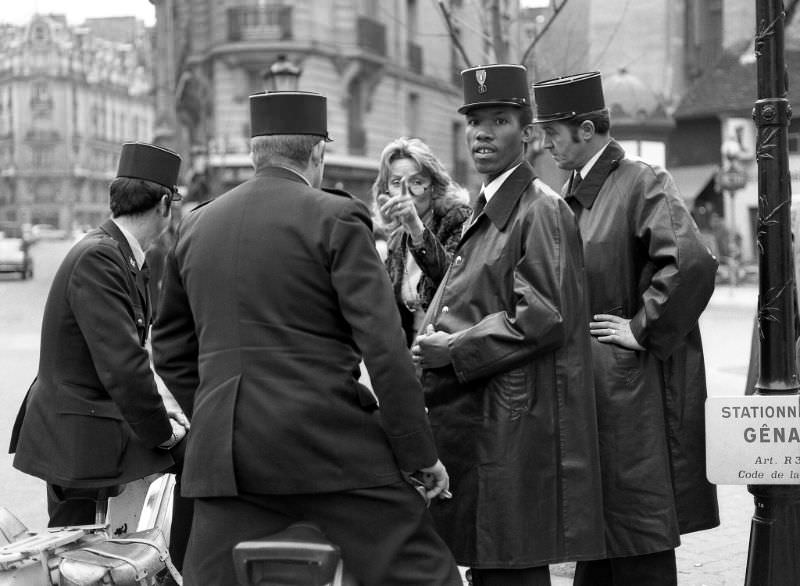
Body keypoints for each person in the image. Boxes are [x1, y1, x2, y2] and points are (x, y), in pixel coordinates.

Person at [150, 90, 461, 586]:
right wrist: (420, 457)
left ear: (257, 152)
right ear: (318, 153)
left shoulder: (196, 225)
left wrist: (220, 411)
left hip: (228, 457)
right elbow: (384, 350)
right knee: (426, 573)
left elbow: (169, 348)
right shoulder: (336, 217)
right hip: (327, 446)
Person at [412, 63, 605, 586]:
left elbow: (544, 315)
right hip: (483, 416)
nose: (481, 132)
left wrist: (453, 348)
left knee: (509, 565)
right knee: (493, 561)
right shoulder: (493, 203)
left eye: (498, 121)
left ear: (528, 134)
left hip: (509, 423)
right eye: (475, 121)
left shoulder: (538, 209)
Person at [532, 71, 720, 586]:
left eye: (553, 132)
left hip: (630, 392)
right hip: (594, 390)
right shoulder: (572, 191)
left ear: (587, 130)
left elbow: (691, 262)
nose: (545, 143)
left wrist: (641, 328)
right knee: (603, 531)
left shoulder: (641, 180)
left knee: (637, 533)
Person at [8, 142, 191, 569]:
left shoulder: (121, 255)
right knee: (67, 558)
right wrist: (164, 432)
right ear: (164, 204)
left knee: (72, 555)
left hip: (90, 421)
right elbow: (124, 366)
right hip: (77, 431)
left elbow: (138, 355)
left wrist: (173, 411)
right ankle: (176, 569)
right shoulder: (100, 258)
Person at [372, 137, 472, 345]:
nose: (404, 193)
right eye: (396, 183)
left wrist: (416, 226)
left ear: (434, 186)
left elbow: (452, 282)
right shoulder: (396, 239)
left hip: (448, 349)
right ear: (386, 189)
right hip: (410, 355)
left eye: (416, 182)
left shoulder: (458, 220)